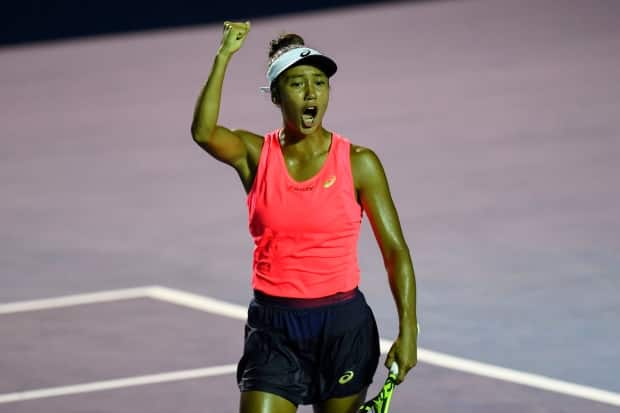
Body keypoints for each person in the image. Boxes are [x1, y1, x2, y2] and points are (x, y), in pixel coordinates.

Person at [191, 21, 418, 413]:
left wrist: (409, 330)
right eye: (298, 84)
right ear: (277, 95)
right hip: (274, 331)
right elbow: (203, 132)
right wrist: (224, 54)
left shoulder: (359, 163)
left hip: (343, 329)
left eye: (320, 82)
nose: (312, 92)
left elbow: (395, 251)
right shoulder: (255, 154)